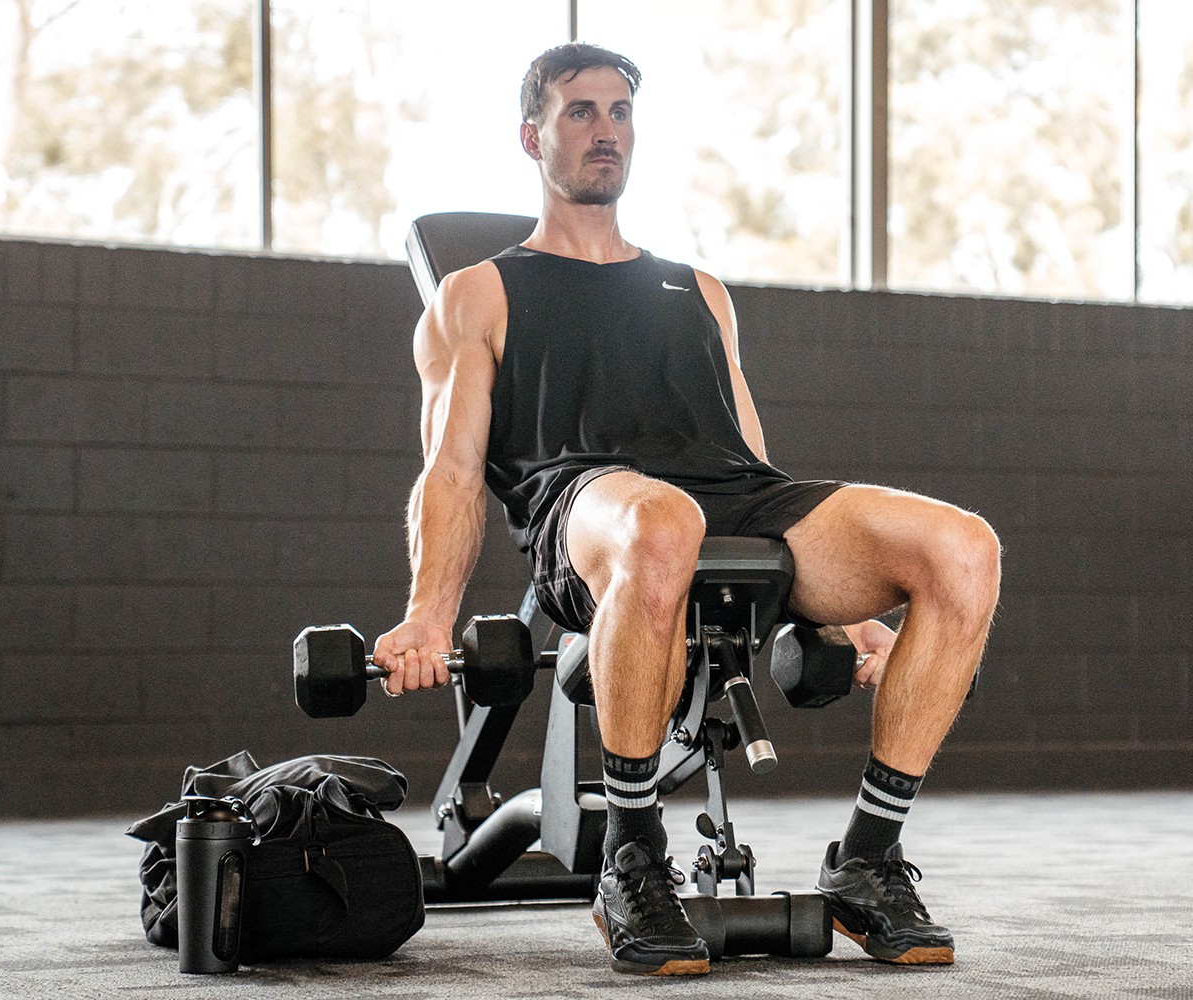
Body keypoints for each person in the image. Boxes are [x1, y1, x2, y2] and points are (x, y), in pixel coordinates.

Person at [373, 42, 1001, 977]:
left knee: (961, 546)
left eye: (620, 112)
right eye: (580, 111)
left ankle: (866, 861)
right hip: (584, 506)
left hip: (728, 500)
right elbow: (452, 472)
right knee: (664, 520)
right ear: (530, 135)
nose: (605, 130)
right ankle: (632, 858)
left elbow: (751, 463)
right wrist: (428, 614)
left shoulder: (698, 290)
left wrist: (853, 606)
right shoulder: (480, 293)